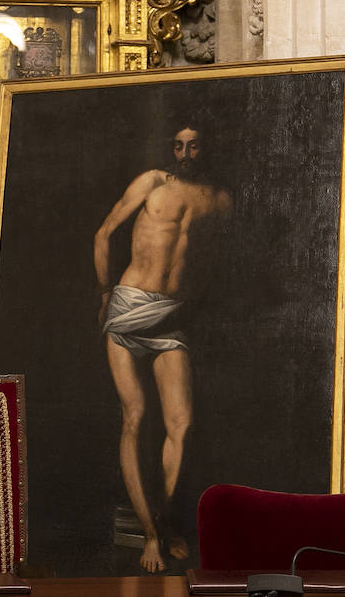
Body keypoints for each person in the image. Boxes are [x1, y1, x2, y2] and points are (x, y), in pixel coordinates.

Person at [93, 122, 232, 572]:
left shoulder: (220, 199)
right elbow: (105, 233)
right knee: (134, 416)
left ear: (205, 148)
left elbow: (215, 264)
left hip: (171, 314)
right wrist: (103, 294)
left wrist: (189, 302)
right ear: (171, 148)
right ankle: (151, 535)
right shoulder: (153, 182)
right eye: (179, 145)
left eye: (194, 145)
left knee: (181, 424)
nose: (185, 152)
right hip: (130, 305)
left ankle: (166, 517)